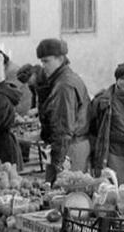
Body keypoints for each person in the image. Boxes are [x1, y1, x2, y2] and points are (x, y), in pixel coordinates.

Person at [36, 38, 90, 183]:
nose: (43, 66)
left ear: (60, 59)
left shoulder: (64, 85)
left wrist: (58, 163)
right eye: (42, 62)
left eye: (46, 61)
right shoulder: (66, 78)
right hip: (71, 144)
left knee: (63, 194)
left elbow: (63, 128)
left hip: (69, 147)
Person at [0, 50, 32, 115]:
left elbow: (10, 93)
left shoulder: (12, 71)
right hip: (19, 102)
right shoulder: (8, 67)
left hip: (21, 105)